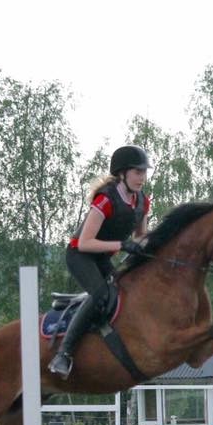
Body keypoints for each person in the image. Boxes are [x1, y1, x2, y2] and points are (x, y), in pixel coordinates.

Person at [48, 145, 152, 378]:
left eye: (144, 172)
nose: (142, 178)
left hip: (103, 257)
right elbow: (84, 243)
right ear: (122, 173)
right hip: (80, 256)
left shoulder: (142, 202)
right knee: (100, 294)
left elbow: (140, 237)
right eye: (137, 172)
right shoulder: (106, 199)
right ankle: (63, 354)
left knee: (123, 292)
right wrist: (122, 245)